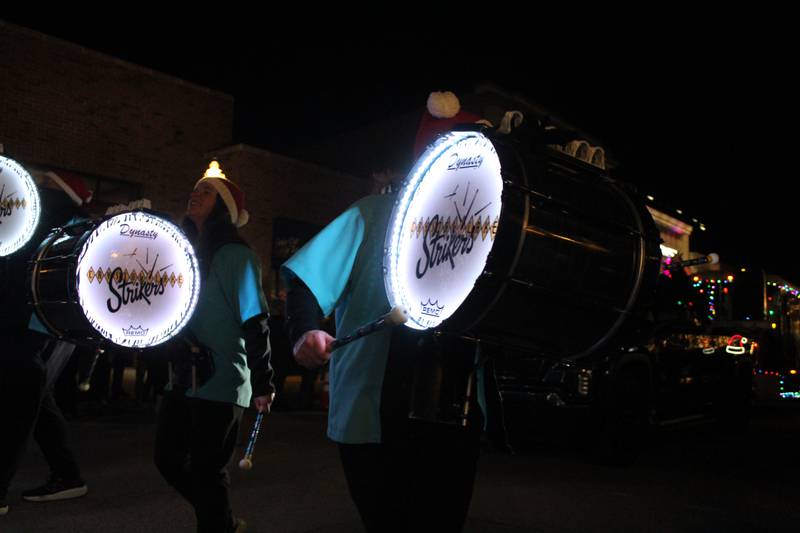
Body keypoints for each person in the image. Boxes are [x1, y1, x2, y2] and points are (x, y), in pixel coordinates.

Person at [281, 91, 488, 532]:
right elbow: (305, 280)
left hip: (456, 409)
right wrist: (304, 331)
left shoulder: (492, 228)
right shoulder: (373, 212)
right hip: (374, 405)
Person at [153, 161, 274, 533]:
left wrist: (263, 380)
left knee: (207, 469)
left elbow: (256, 320)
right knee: (168, 460)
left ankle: (216, 524)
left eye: (206, 191)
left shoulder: (239, 257)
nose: (196, 194)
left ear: (224, 207)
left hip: (222, 378)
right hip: (182, 376)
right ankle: (220, 521)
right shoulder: (181, 252)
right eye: (195, 188)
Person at [0, 171, 92, 515]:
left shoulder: (66, 229)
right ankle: (68, 476)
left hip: (41, 330)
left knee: (17, 407)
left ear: (63, 193)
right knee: (35, 403)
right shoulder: (41, 223)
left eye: (49, 186)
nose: (41, 189)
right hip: (31, 328)